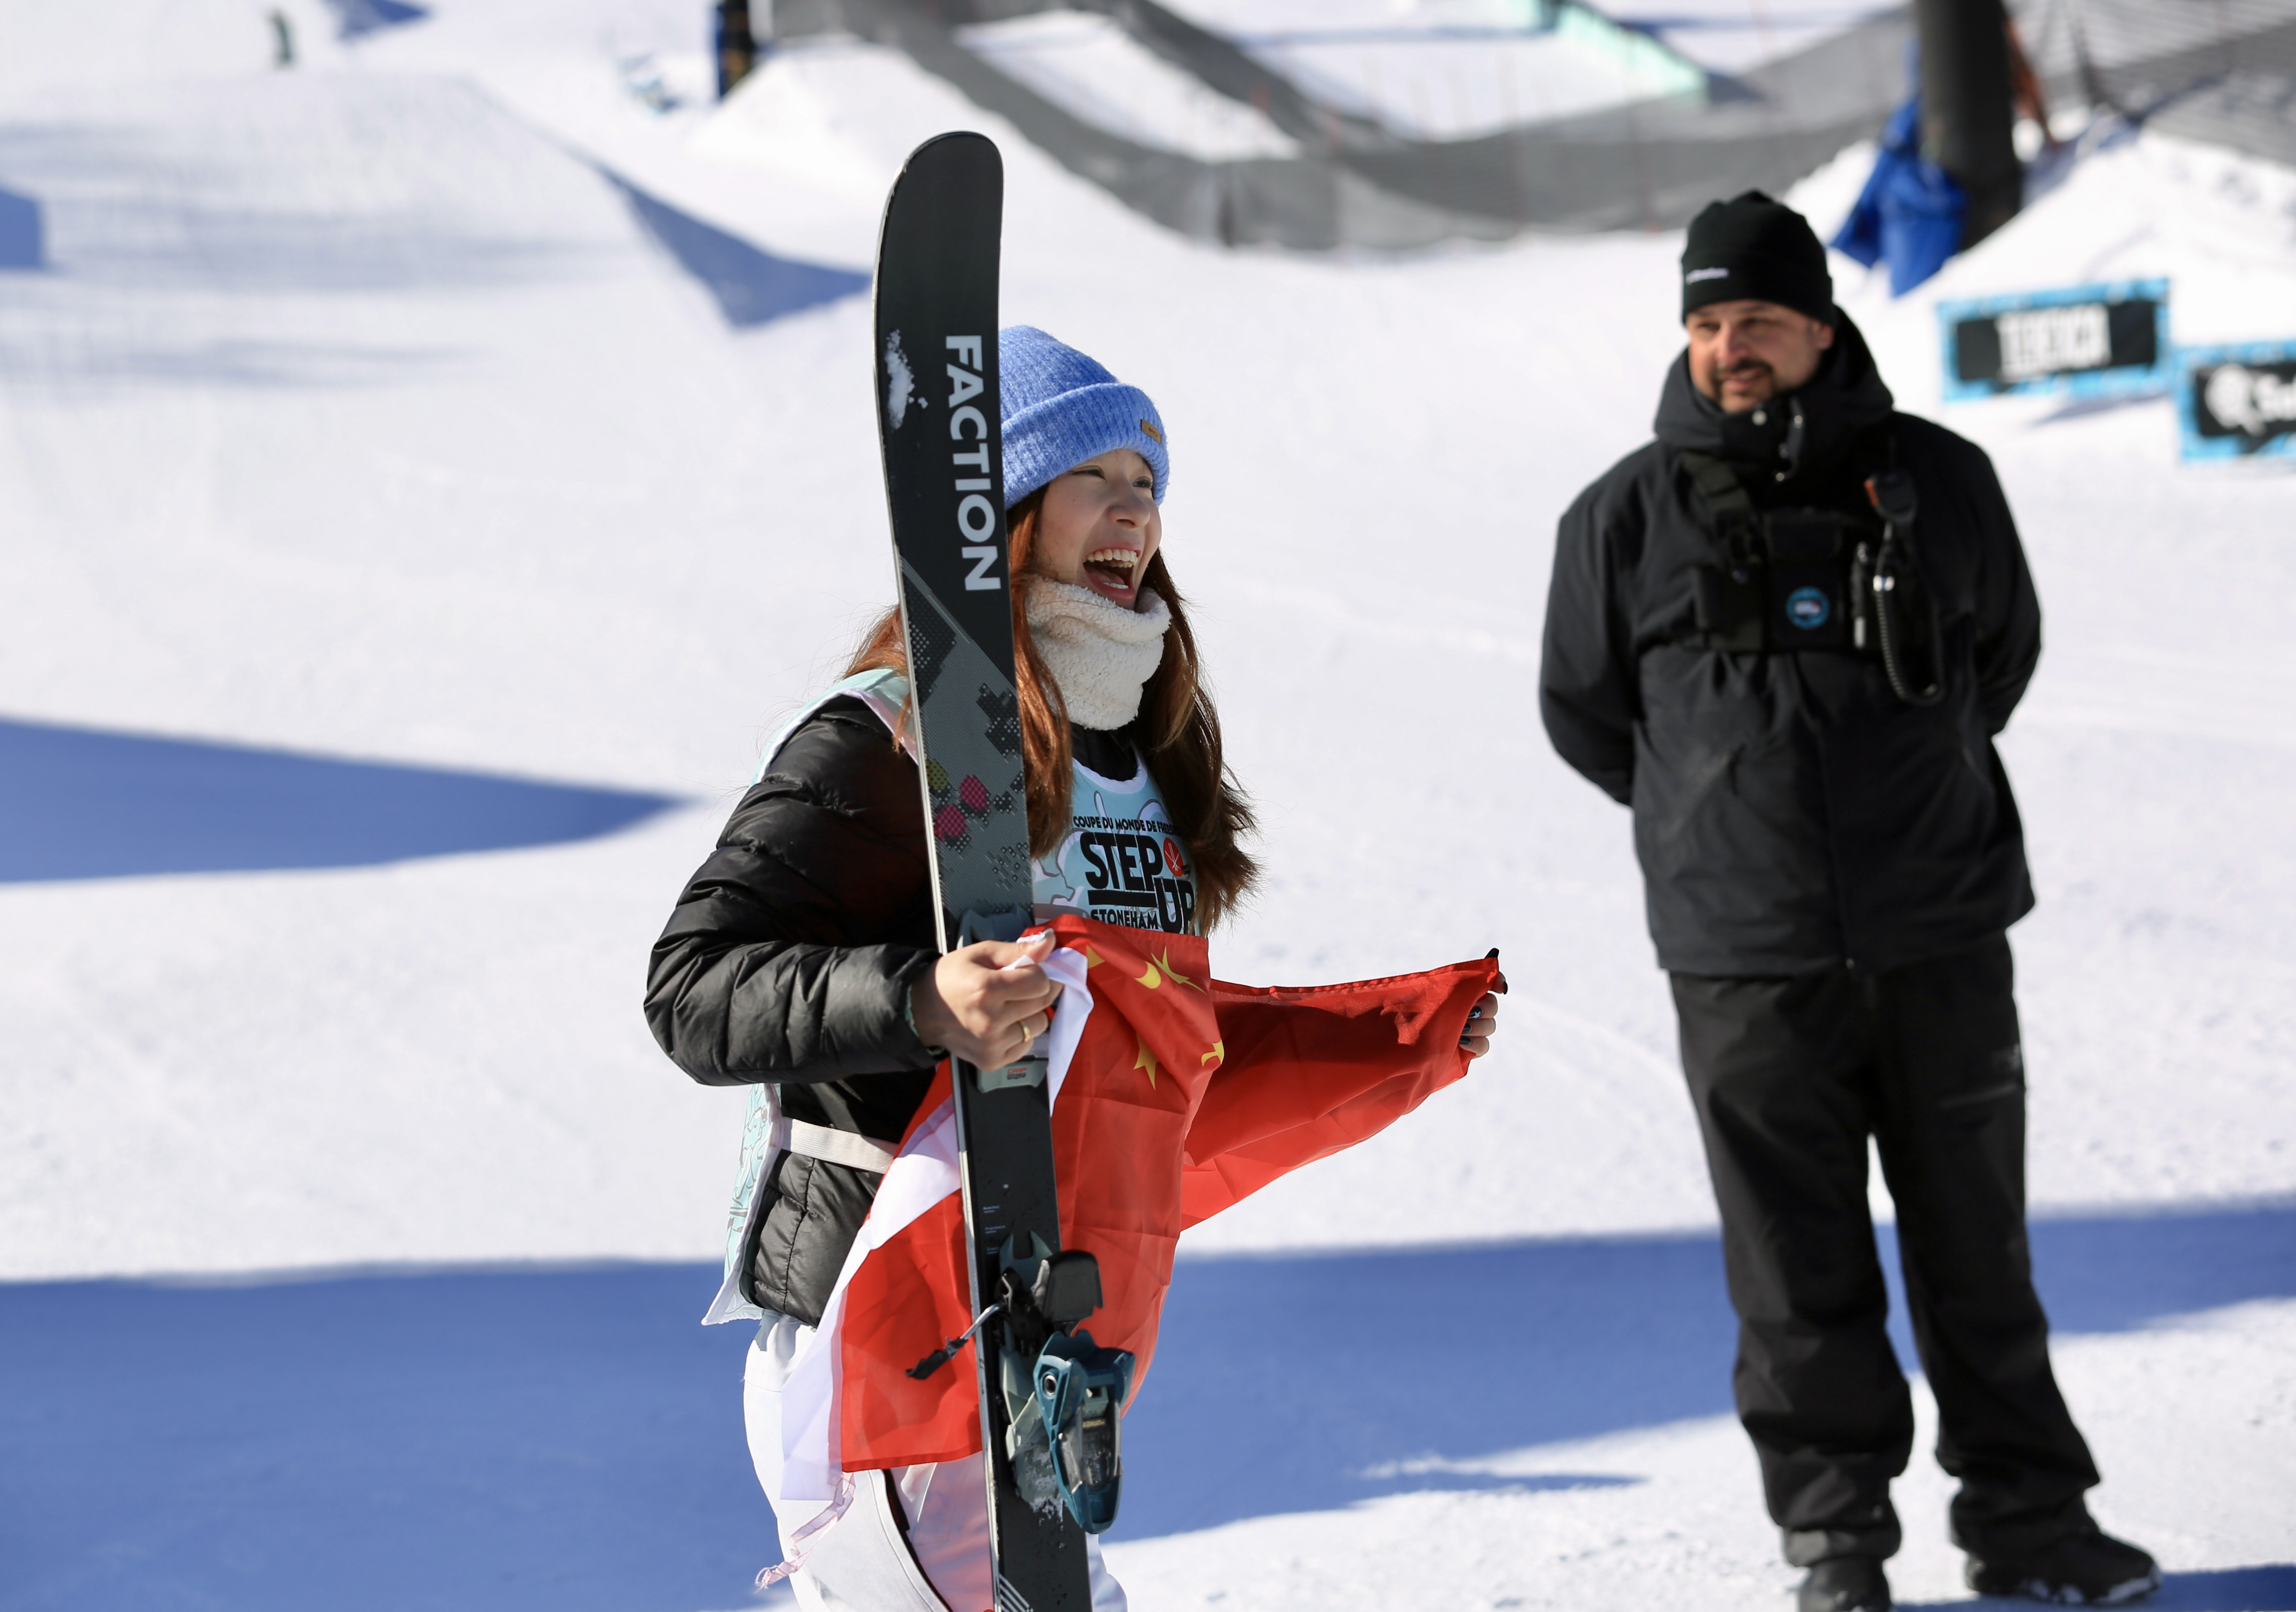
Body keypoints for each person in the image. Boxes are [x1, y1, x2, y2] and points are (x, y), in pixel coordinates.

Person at [647, 326, 1501, 1612]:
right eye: (1093, 477)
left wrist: (1399, 1042)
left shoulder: (1137, 761)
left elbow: (1157, 1053)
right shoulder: (886, 733)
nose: (1135, 512)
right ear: (1004, 513)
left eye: (1147, 481)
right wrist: (927, 1002)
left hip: (1043, 1332)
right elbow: (695, 986)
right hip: (883, 1330)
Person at [1537, 193, 2157, 1612]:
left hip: (1939, 927)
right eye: (1705, 324)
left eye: (1755, 319)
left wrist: (1907, 794)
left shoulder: (1942, 480)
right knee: (1791, 1266)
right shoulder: (1621, 519)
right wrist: (1720, 825)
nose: (1728, 348)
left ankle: (2030, 1519)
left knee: (1976, 1245)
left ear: (1820, 324)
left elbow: (2001, 656)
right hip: (1744, 956)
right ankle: (1837, 1544)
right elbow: (1586, 715)